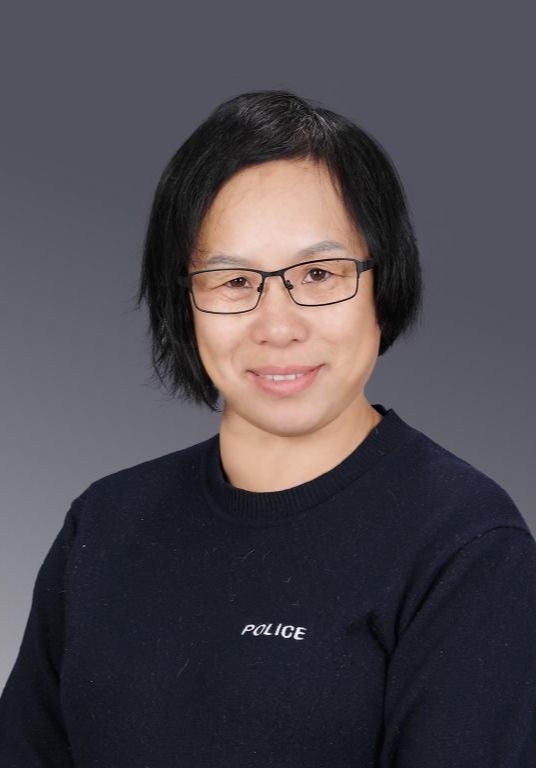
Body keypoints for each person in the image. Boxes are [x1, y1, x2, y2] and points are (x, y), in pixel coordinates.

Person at [0, 89, 534, 767]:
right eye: (231, 281)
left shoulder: (465, 547)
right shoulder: (104, 523)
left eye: (319, 274)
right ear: (183, 302)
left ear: (384, 283)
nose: (277, 327)